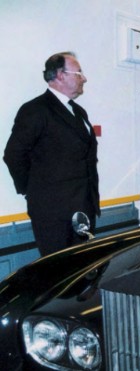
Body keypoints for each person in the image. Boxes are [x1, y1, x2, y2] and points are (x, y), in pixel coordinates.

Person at [4, 51, 100, 256]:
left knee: (83, 271)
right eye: (79, 73)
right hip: (53, 212)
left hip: (83, 207)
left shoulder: (79, 111)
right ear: (60, 75)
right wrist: (33, 190)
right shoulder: (35, 110)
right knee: (59, 274)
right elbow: (13, 154)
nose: (84, 78)